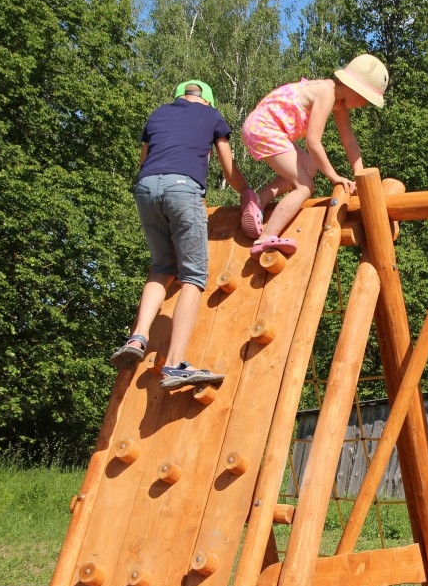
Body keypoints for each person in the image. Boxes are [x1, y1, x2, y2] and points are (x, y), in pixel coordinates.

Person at [110, 80, 251, 389]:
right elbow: (228, 169)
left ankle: (137, 338)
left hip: (146, 189)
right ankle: (174, 365)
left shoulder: (157, 114)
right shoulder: (212, 117)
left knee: (162, 267)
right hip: (182, 189)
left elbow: (144, 161)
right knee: (194, 276)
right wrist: (247, 193)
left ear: (178, 98)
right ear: (209, 102)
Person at [239, 54, 388, 254]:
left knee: (310, 167)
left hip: (262, 127)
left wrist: (359, 176)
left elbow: (349, 141)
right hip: (265, 129)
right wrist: (334, 177)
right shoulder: (326, 93)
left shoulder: (337, 100)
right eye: (366, 99)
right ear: (355, 89)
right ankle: (266, 238)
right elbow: (313, 142)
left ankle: (259, 200)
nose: (365, 105)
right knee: (305, 186)